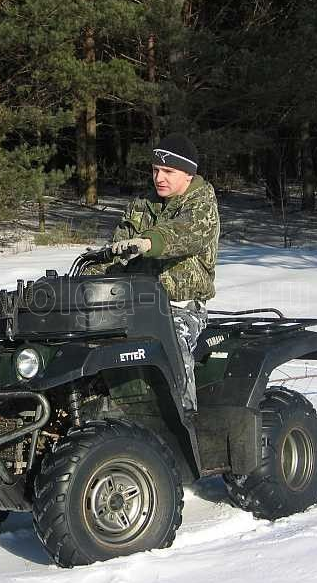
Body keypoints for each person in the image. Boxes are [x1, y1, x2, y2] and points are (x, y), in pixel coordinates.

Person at [91, 133, 220, 411]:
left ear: (188, 174)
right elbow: (115, 252)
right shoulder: (142, 205)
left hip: (179, 307)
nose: (159, 178)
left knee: (172, 348)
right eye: (155, 170)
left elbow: (186, 232)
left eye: (168, 172)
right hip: (132, 304)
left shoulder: (202, 205)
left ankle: (184, 417)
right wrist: (84, 279)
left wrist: (149, 242)